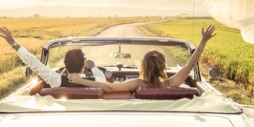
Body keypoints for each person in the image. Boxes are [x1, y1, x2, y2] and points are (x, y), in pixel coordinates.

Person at [66, 25, 216, 92]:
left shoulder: (137, 83)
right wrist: (203, 41)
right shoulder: (172, 83)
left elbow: (109, 87)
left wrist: (81, 81)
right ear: (163, 68)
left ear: (142, 67)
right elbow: (191, 64)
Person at [0, 27, 105, 93]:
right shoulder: (98, 81)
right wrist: (93, 67)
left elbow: (33, 62)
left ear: (66, 67)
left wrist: (14, 43)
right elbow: (102, 79)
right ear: (83, 66)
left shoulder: (56, 79)